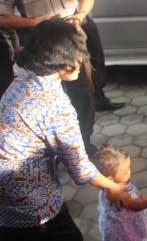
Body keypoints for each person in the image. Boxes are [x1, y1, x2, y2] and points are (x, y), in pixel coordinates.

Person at [0, 19, 128, 240]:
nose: (82, 58)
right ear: (63, 58)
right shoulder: (56, 105)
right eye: (78, 53)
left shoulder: (23, 80)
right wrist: (113, 187)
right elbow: (80, 170)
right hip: (33, 206)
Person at [0, 0, 97, 156]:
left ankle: (82, 144)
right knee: (46, 100)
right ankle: (52, 149)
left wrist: (80, 15)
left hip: (71, 43)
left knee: (83, 94)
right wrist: (35, 22)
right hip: (39, 49)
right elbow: (2, 16)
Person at [93, 144, 147, 241]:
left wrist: (136, 195)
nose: (129, 172)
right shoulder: (121, 194)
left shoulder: (105, 185)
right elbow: (136, 207)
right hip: (128, 229)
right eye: (125, 172)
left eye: (129, 168)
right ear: (110, 179)